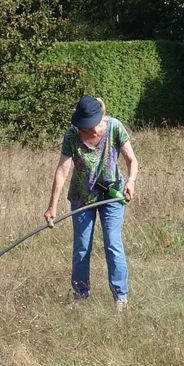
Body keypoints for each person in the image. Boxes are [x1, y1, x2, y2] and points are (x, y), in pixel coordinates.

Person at [44, 95, 138, 308]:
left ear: (99, 118)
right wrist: (52, 206)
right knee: (81, 247)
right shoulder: (72, 135)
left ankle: (120, 297)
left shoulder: (114, 128)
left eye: (88, 126)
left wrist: (131, 182)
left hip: (111, 195)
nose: (86, 130)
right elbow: (62, 171)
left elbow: (132, 160)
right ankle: (80, 295)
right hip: (82, 197)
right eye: (82, 126)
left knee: (112, 243)